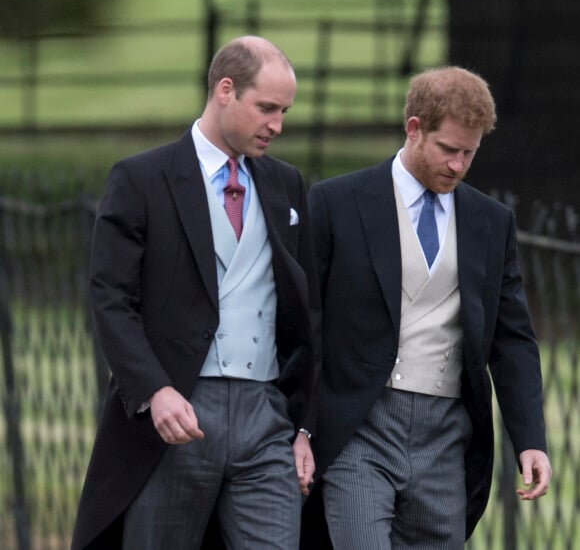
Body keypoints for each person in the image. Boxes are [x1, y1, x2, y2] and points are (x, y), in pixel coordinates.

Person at [71, 35, 321, 550]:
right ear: (225, 90)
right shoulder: (141, 179)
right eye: (267, 108)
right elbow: (111, 299)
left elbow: (307, 311)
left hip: (266, 415)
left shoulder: (286, 184)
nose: (277, 125)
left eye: (285, 111)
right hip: (178, 410)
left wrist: (304, 427)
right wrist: (154, 390)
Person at [300, 66, 552, 549]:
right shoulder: (336, 202)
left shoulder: (490, 221)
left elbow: (512, 338)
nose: (458, 166)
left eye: (469, 153)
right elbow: (306, 323)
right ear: (414, 128)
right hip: (359, 426)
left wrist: (531, 438)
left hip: (446, 436)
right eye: (448, 150)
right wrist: (303, 426)